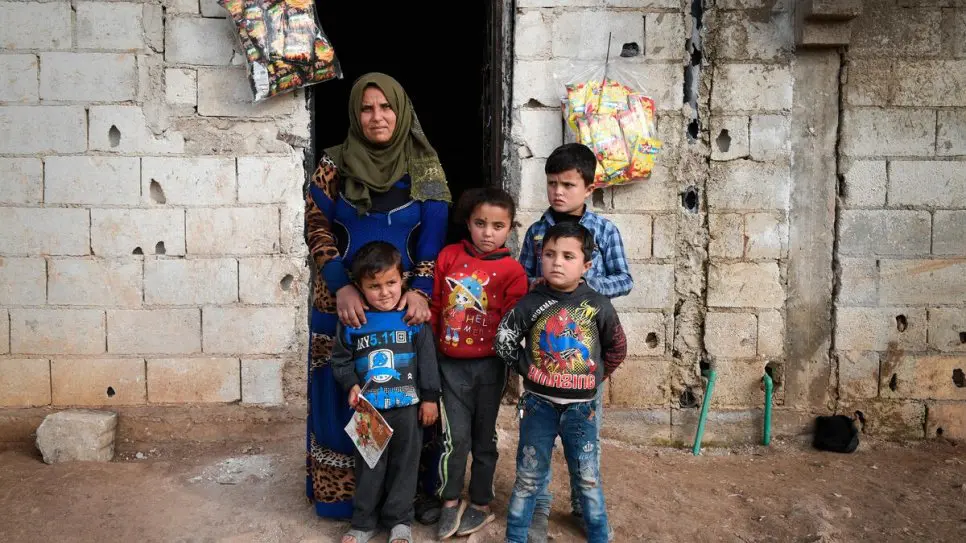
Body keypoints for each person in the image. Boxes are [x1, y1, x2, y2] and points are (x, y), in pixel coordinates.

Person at [303, 72, 451, 523]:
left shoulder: (425, 164)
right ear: (355, 113)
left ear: (401, 110)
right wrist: (341, 284)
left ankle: (402, 504)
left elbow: (435, 235)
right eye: (367, 108)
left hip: (401, 302)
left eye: (385, 107)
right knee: (341, 395)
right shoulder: (332, 163)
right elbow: (315, 226)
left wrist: (420, 291)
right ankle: (344, 499)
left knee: (405, 399)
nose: (377, 117)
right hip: (339, 304)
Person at [517, 142, 632, 540]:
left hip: (585, 351)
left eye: (568, 184)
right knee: (538, 432)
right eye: (552, 183)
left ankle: (584, 505)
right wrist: (539, 286)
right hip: (543, 350)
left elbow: (624, 279)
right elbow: (521, 281)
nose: (558, 192)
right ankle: (539, 504)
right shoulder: (536, 233)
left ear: (589, 188)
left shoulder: (604, 231)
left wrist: (583, 286)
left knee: (585, 433)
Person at [496, 222, 627, 543]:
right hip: (538, 406)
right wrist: (528, 369)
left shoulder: (598, 305)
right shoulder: (530, 303)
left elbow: (617, 347)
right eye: (550, 254)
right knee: (528, 477)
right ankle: (515, 538)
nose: (557, 262)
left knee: (587, 479)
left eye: (568, 256)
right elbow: (504, 340)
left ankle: (599, 536)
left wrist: (594, 377)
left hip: (582, 411)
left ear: (587, 265)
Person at [430, 188, 528, 539]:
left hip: (490, 368)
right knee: (454, 440)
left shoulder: (512, 271)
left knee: (484, 438)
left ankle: (482, 502)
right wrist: (433, 354)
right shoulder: (448, 257)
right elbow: (434, 308)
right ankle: (450, 500)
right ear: (468, 223)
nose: (489, 233)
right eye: (480, 223)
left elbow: (516, 322)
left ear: (509, 228)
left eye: (498, 226)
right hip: (450, 366)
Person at [331, 241, 441, 543]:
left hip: (407, 407)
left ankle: (400, 521)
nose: (385, 292)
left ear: (402, 279)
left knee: (405, 466)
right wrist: (351, 384)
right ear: (360, 287)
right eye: (374, 286)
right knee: (369, 466)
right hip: (369, 410)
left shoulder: (411, 318)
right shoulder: (354, 321)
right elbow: (340, 360)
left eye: (391, 282)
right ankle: (364, 523)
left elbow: (428, 361)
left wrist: (430, 398)